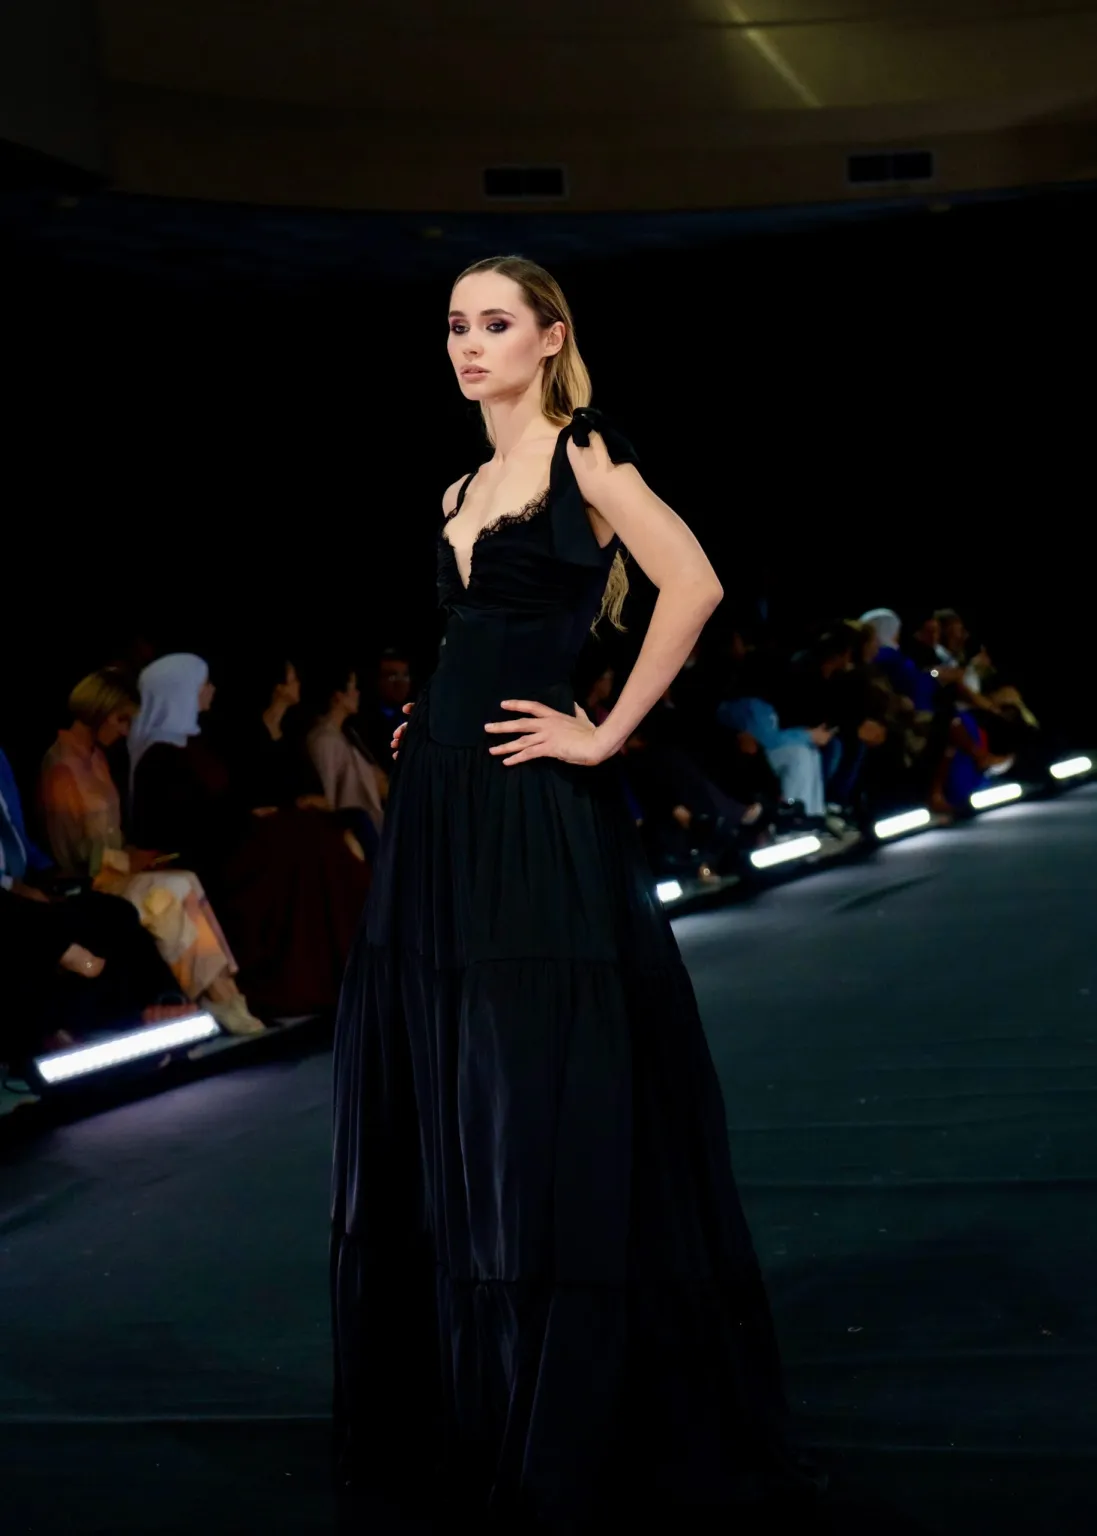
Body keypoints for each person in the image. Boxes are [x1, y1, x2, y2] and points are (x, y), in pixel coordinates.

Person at [332, 255, 821, 1530]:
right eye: (455, 324)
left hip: (532, 810)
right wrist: (427, 722)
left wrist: (603, 734)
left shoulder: (582, 453)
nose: (468, 344)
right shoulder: (457, 486)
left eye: (494, 323)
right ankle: (477, 1390)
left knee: (534, 1083)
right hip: (440, 804)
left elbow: (692, 584)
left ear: (549, 338)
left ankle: (570, 1400)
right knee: (452, 1079)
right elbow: (468, 641)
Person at [39, 668, 250, 1028]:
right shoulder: (60, 767)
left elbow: (111, 836)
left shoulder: (97, 759)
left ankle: (224, 989)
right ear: (99, 711)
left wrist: (133, 856)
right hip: (92, 884)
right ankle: (215, 995)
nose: (125, 730)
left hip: (115, 872)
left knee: (186, 879)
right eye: (120, 719)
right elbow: (70, 856)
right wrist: (124, 860)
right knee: (168, 891)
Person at [213, 656, 373, 1018]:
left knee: (338, 839)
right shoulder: (244, 735)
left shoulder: (290, 735)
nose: (298, 685)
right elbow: (242, 796)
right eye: (292, 679)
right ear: (277, 687)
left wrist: (307, 802)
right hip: (263, 833)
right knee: (315, 847)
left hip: (296, 825)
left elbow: (309, 790)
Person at [129, 654, 265, 1035]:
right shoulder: (158, 757)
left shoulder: (193, 745)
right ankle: (227, 993)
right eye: (202, 684)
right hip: (200, 854)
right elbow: (179, 825)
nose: (210, 690)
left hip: (219, 845)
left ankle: (233, 991)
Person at [305, 663, 385, 860]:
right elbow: (329, 797)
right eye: (352, 688)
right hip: (353, 836)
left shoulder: (347, 736)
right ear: (338, 695)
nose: (357, 693)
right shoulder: (324, 739)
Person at [357, 647, 414, 774]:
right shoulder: (365, 723)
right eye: (392, 676)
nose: (400, 683)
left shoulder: (415, 714)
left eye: (405, 676)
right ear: (377, 680)